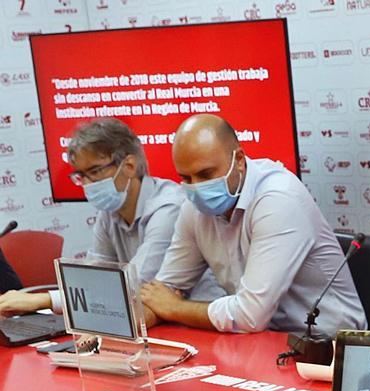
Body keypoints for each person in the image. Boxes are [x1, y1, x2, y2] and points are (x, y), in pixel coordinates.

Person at [141, 114, 365, 334]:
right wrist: (132, 317)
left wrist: (174, 308)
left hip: (326, 345)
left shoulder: (277, 198)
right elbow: (162, 293)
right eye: (186, 179)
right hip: (260, 341)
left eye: (206, 174)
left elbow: (250, 316)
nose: (196, 187)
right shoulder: (194, 208)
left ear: (238, 160)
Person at [0, 118, 218, 317]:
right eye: (81, 175)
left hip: (198, 320)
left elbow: (136, 283)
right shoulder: (108, 212)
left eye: (94, 171)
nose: (87, 184)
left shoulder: (169, 207)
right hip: (147, 319)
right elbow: (96, 277)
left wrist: (46, 300)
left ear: (129, 166)